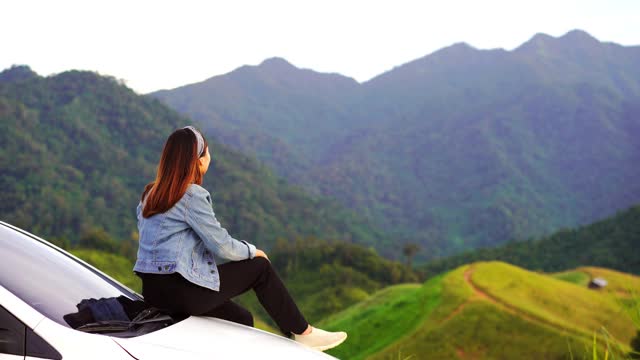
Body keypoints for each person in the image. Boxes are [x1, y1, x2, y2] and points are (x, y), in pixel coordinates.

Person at [133, 126, 347, 352]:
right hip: (182, 293)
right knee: (260, 267)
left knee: (241, 319)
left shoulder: (149, 195)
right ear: (197, 160)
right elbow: (221, 246)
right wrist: (253, 251)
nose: (209, 157)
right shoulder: (191, 195)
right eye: (207, 152)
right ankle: (304, 333)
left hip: (154, 293)